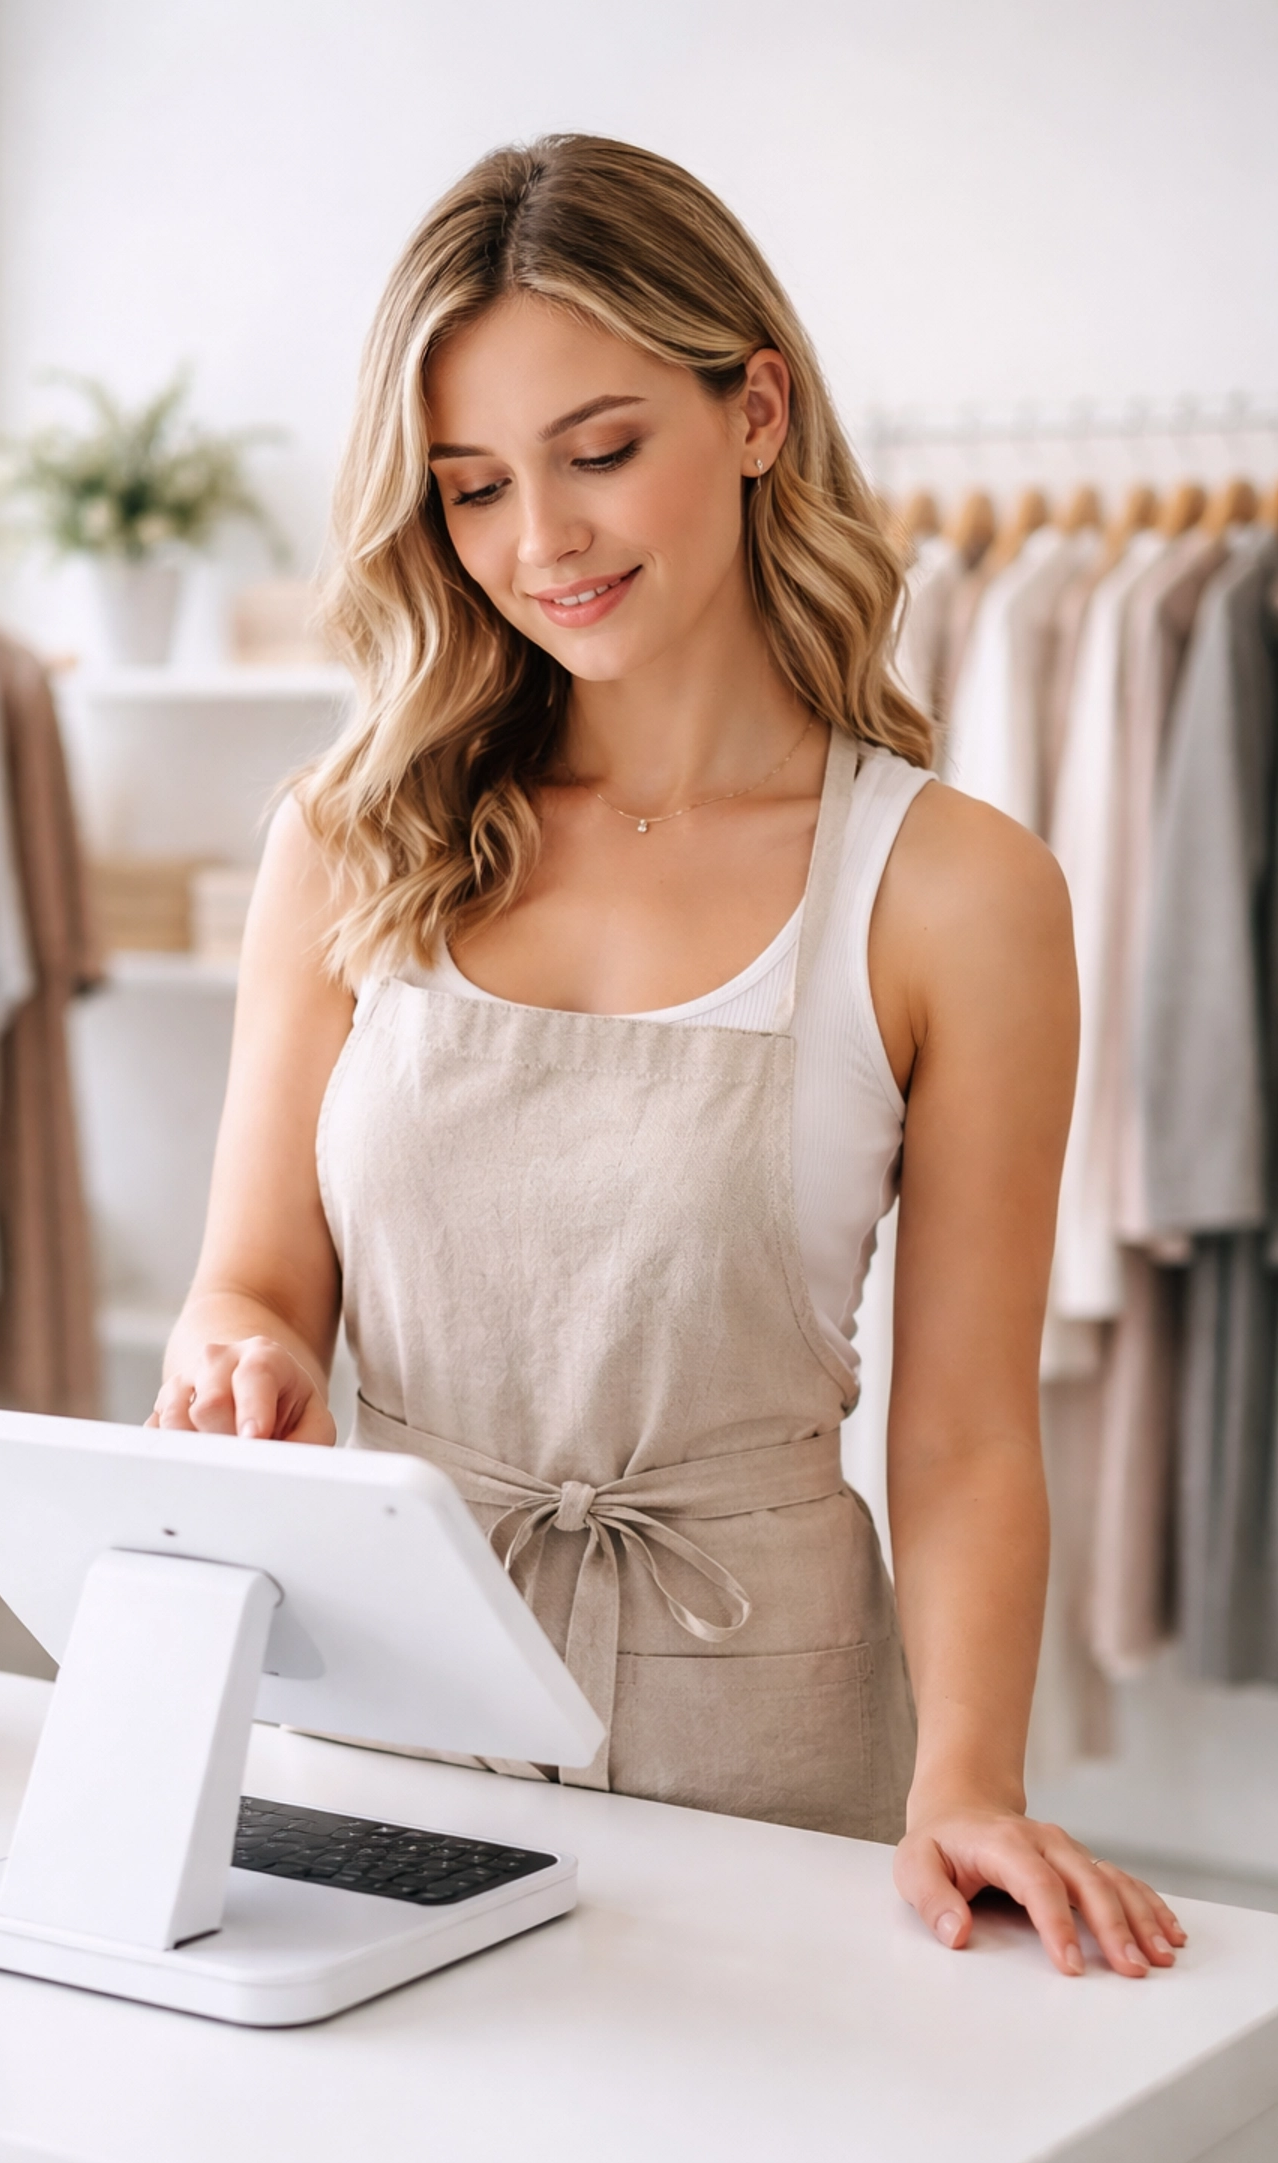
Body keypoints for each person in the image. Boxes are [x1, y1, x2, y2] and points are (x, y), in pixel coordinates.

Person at [153, 134, 1183, 1980]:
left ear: (760, 409)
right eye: (470, 489)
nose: (539, 544)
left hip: (770, 1758)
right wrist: (240, 1356)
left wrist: (969, 1778)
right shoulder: (352, 835)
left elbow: (955, 1438)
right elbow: (252, 1281)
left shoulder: (951, 892)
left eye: (602, 452)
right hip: (391, 1720)